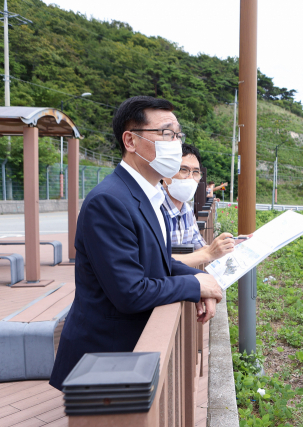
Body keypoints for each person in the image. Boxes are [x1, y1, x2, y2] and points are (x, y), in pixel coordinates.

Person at [49, 96, 223, 390]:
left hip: (126, 355)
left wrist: (201, 279)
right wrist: (195, 286)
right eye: (166, 133)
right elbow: (130, 292)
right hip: (104, 359)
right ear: (130, 141)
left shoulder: (149, 194)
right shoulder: (109, 201)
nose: (176, 143)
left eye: (178, 135)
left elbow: (159, 261)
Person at [161, 144, 247, 267]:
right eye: (183, 169)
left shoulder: (187, 210)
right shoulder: (152, 207)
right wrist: (209, 254)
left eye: (196, 172)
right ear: (164, 171)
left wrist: (228, 246)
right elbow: (153, 261)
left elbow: (200, 248)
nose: (190, 178)